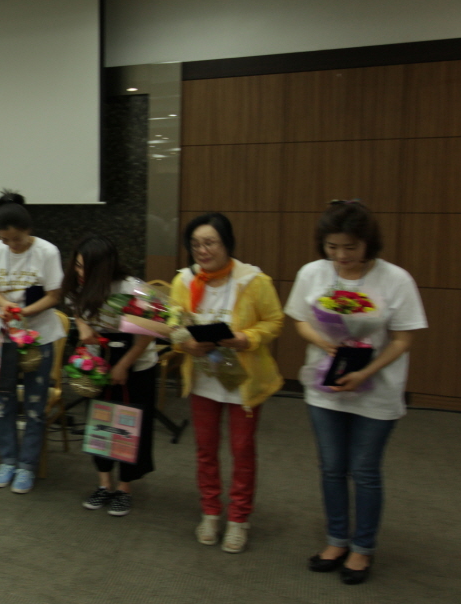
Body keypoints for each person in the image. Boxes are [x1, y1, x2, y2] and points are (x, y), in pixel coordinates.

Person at [285, 201, 426, 584]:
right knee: (331, 467)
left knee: (364, 470)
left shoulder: (395, 279)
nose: (341, 256)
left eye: (350, 247)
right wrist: (326, 344)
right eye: (332, 247)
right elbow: (300, 321)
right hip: (325, 384)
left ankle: (362, 548)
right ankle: (336, 540)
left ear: (368, 243)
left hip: (376, 390)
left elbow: (403, 339)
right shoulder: (312, 273)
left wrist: (365, 370)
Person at [169, 212, 283, 553]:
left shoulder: (253, 281)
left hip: (242, 381)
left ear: (227, 243)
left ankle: (238, 519)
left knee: (242, 450)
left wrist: (246, 339)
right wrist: (185, 344)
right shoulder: (184, 281)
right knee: (205, 450)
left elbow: (274, 321)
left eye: (210, 243)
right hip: (203, 380)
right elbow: (173, 324)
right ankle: (210, 513)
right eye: (195, 245)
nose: (202, 251)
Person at [63, 235, 160, 517]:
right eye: (77, 265)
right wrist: (83, 328)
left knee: (129, 426)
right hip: (100, 362)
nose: (80, 272)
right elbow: (77, 310)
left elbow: (149, 331)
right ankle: (104, 484)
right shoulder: (79, 284)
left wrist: (124, 365)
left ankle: (124, 488)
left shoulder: (132, 289)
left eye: (86, 267)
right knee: (101, 422)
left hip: (136, 364)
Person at [0, 191, 63, 495]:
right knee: (4, 401)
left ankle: (27, 465)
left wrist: (25, 313)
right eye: (5, 240)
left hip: (39, 338)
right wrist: (6, 306)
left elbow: (54, 295)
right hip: (3, 338)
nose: (11, 245)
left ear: (28, 230)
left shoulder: (47, 252)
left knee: (36, 404)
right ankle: (8, 460)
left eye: (16, 239)